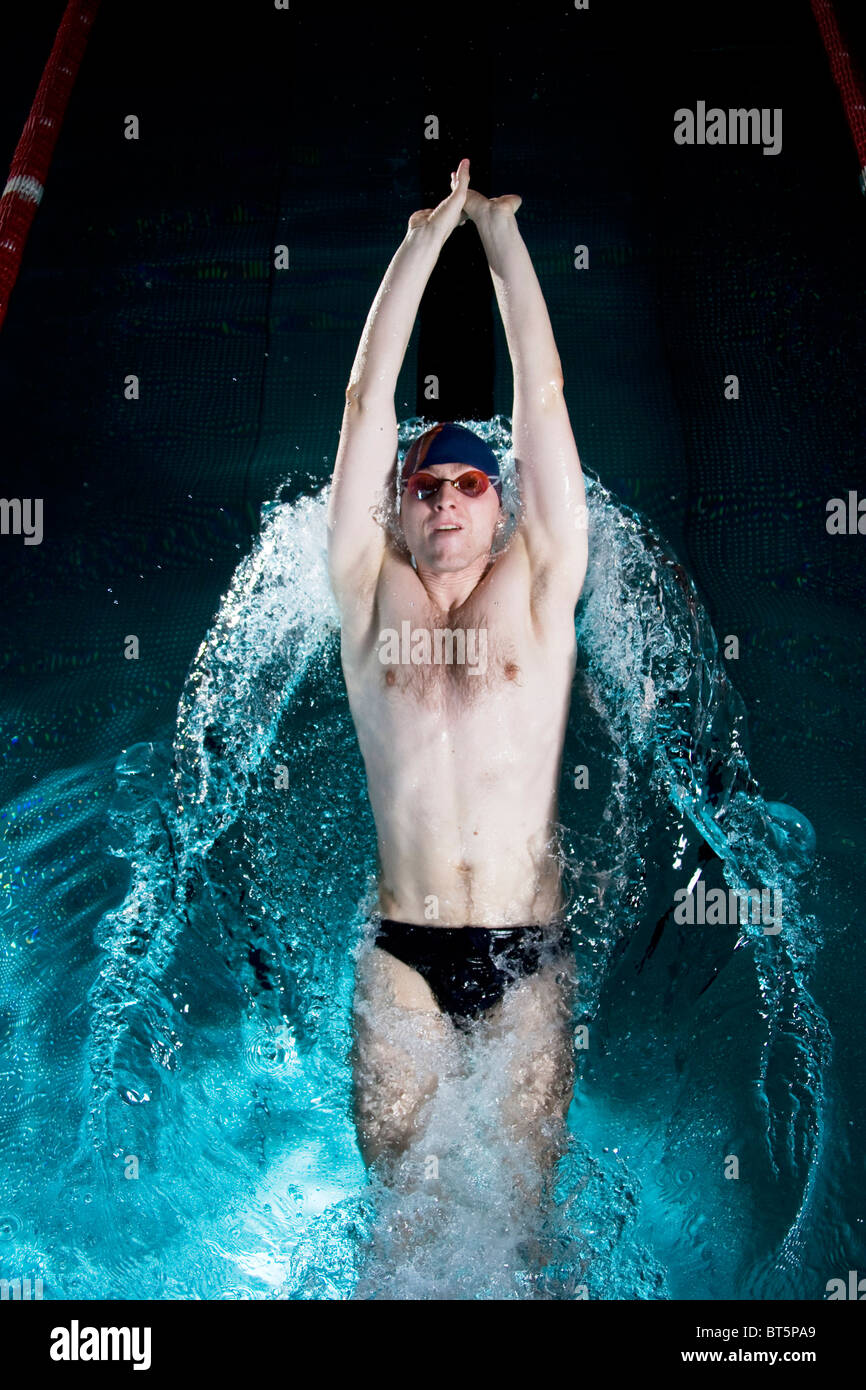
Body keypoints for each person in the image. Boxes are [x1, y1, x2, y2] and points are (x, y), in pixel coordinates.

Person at [327, 158, 589, 1197]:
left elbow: (546, 397)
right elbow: (360, 403)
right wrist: (418, 241)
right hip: (402, 958)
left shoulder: (538, 585)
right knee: (399, 1224)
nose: (444, 502)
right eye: (425, 486)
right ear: (399, 507)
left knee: (520, 1220)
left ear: (498, 503)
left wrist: (498, 235)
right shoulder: (365, 592)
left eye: (468, 484)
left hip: (526, 957)